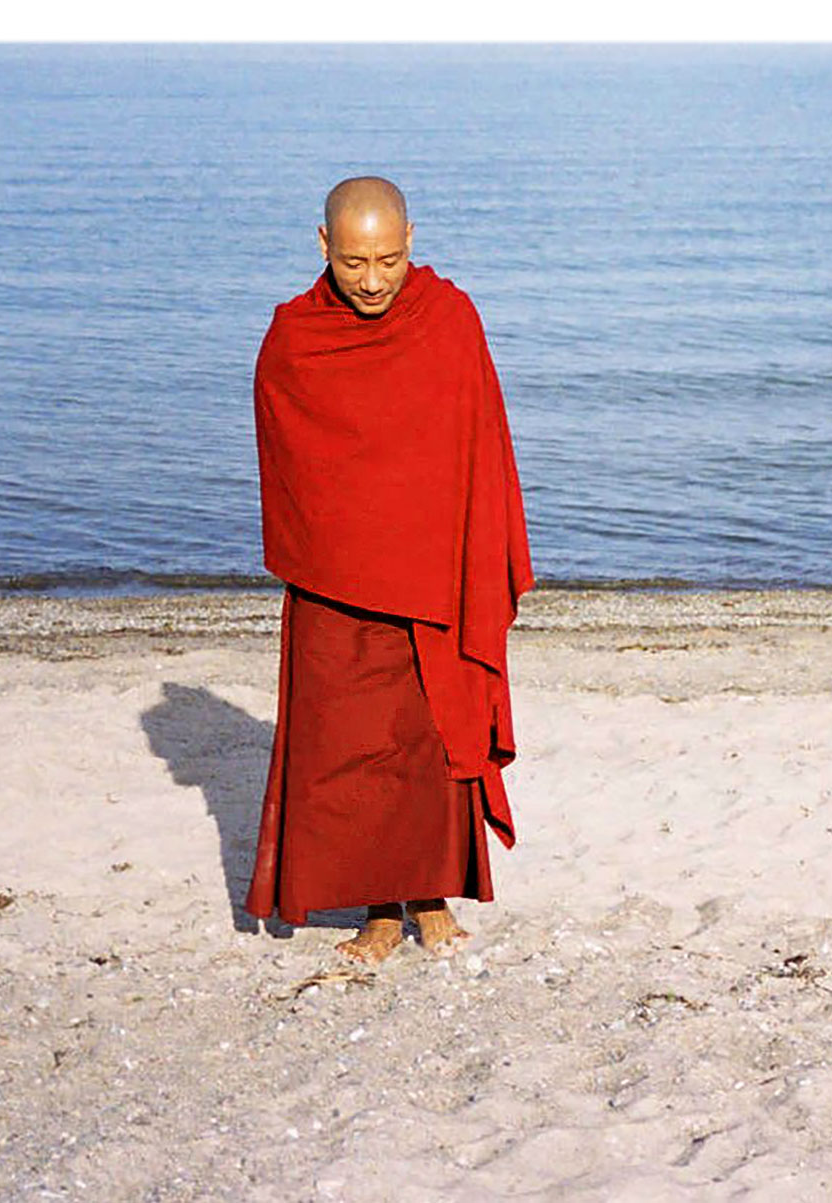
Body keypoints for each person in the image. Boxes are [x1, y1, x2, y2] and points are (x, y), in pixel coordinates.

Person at [242, 176, 532, 965]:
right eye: (354, 263)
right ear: (323, 245)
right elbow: (292, 453)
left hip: (432, 567)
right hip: (336, 571)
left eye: (388, 261)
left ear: (411, 239)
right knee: (349, 743)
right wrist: (343, 534)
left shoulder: (449, 318)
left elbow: (477, 443)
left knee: (433, 731)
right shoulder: (297, 335)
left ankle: (430, 894)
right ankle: (377, 906)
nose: (372, 281)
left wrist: (459, 548)